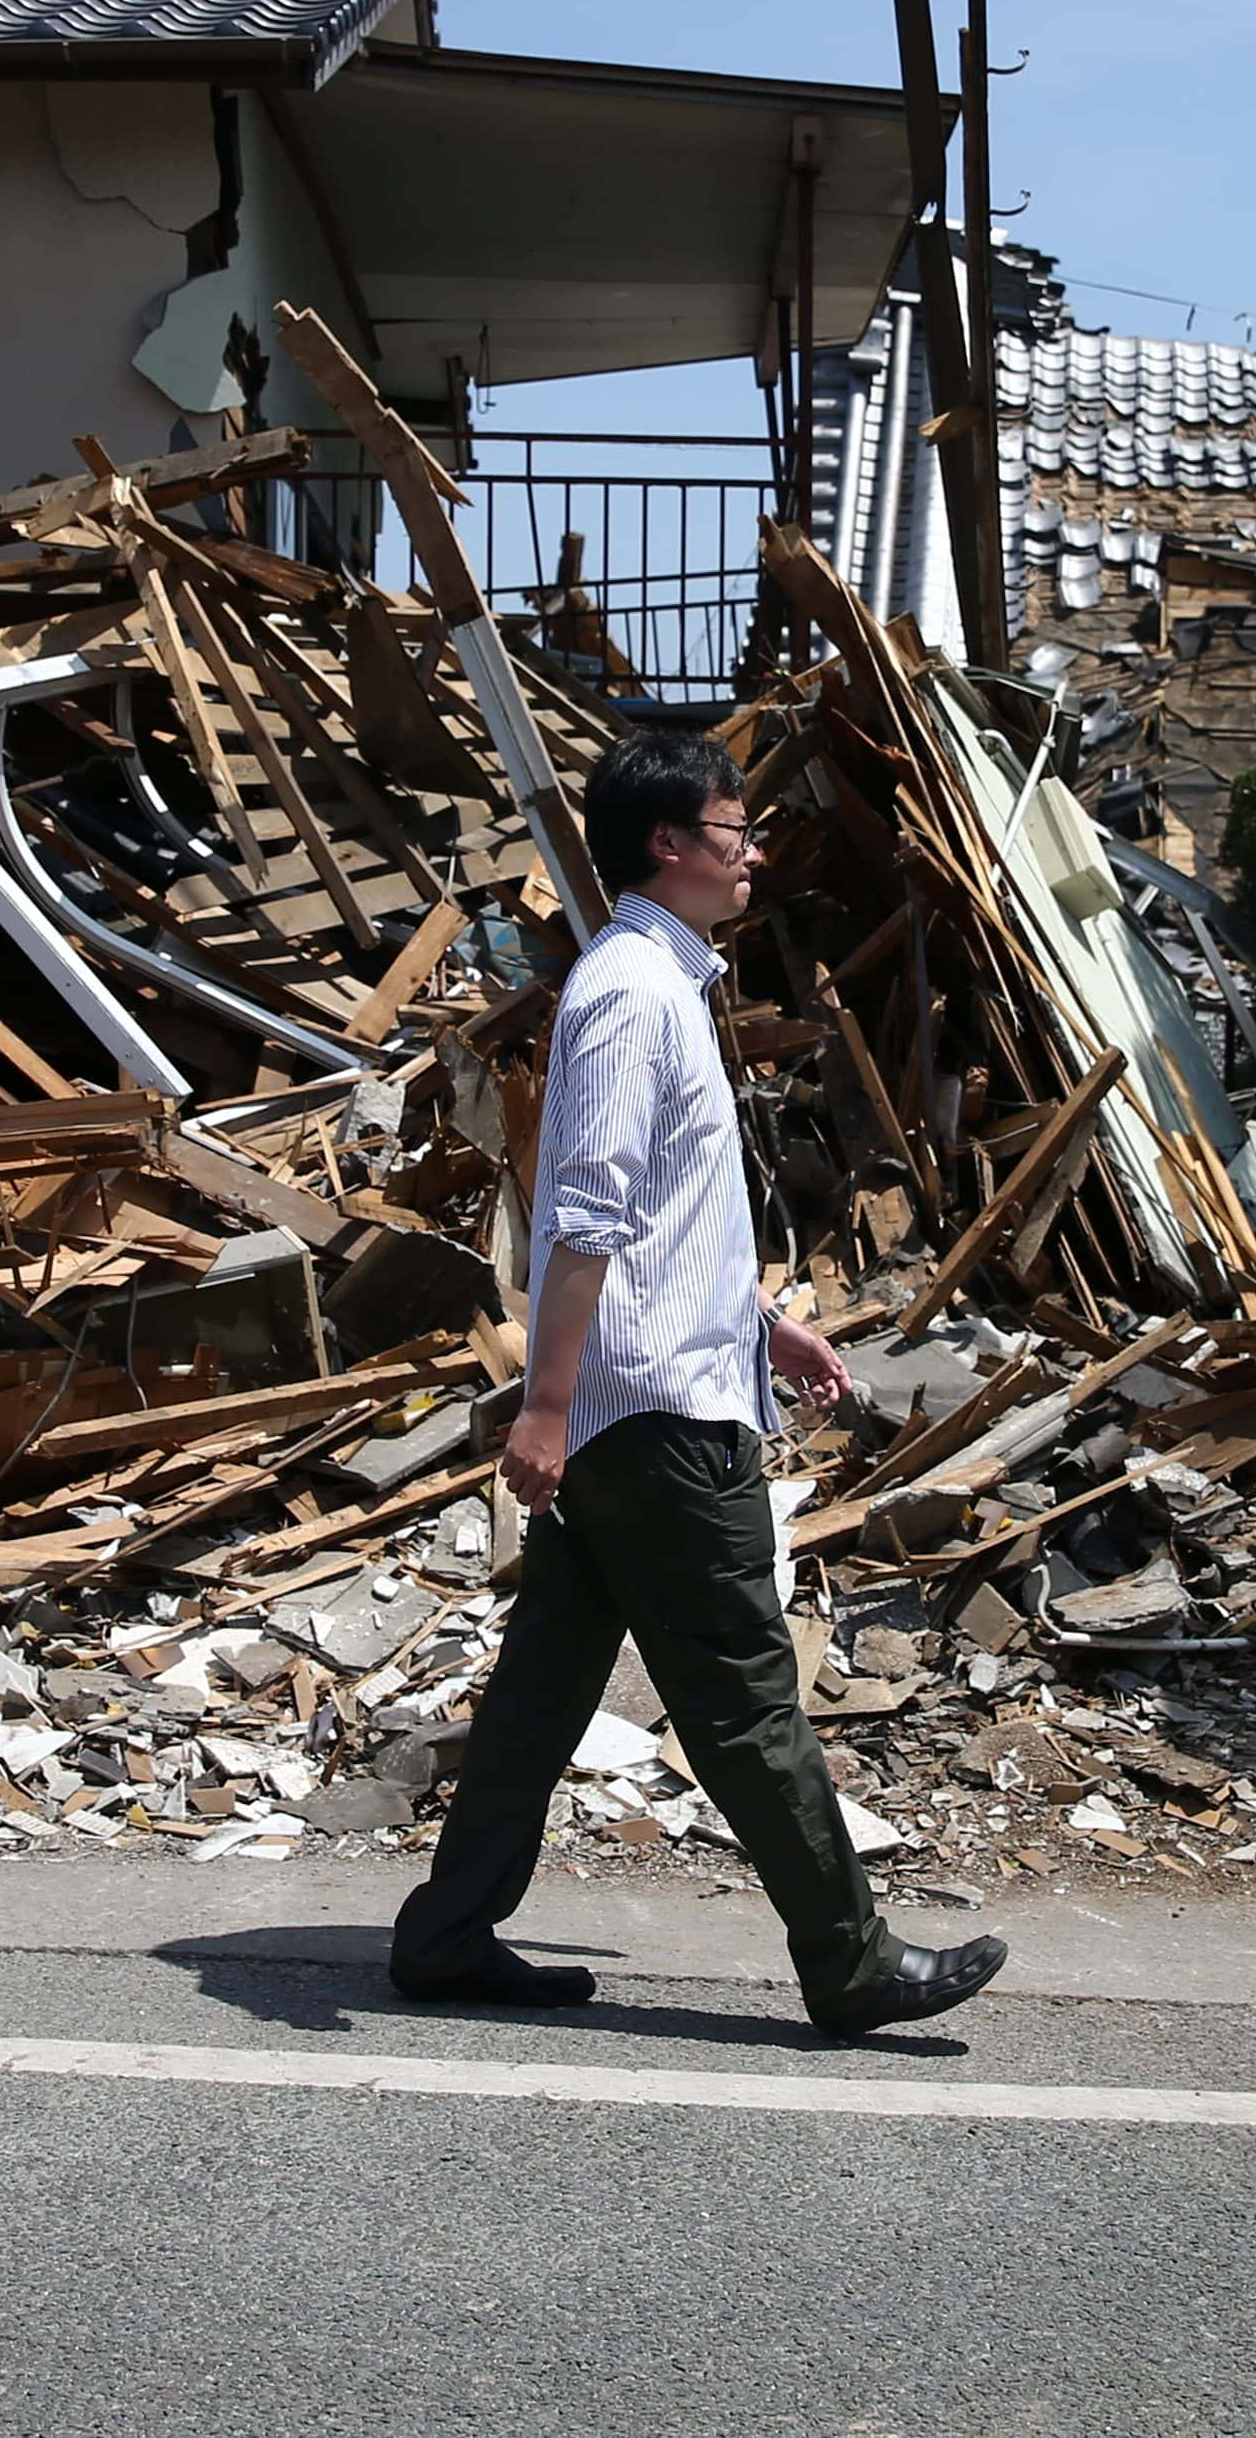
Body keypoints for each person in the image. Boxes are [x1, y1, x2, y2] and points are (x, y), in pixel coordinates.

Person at [390, 728, 1010, 2039]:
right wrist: (546, 1403)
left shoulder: (656, 983)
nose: (754, 855)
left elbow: (671, 1219)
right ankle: (847, 1959)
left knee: (544, 1681)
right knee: (742, 1693)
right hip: (653, 1415)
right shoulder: (632, 993)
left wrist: (761, 1322)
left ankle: (447, 1933)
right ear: (669, 844)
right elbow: (587, 1212)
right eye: (735, 834)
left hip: (651, 1389)